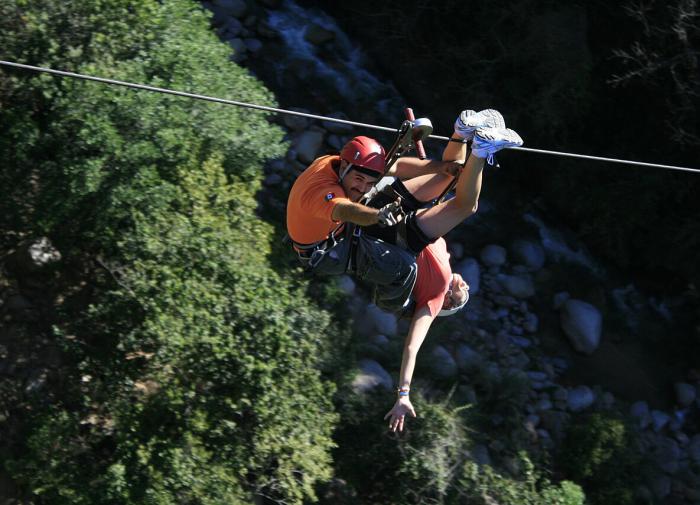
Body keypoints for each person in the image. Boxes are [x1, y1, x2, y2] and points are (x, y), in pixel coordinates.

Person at [358, 109, 523, 432]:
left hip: (396, 231)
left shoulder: (432, 300)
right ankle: (462, 132)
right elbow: (437, 213)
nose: (467, 289)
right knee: (453, 174)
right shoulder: (444, 259)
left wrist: (403, 392)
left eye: (464, 296)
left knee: (467, 206)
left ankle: (482, 148)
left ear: (449, 302)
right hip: (400, 218)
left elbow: (411, 346)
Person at [286, 134, 463, 311]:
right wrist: (377, 215)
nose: (362, 187)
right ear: (345, 167)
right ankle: (392, 306)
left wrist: (443, 167)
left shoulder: (336, 162)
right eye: (358, 180)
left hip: (332, 227)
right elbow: (347, 211)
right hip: (327, 252)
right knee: (406, 268)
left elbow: (398, 166)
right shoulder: (323, 193)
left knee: (388, 186)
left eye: (369, 182)